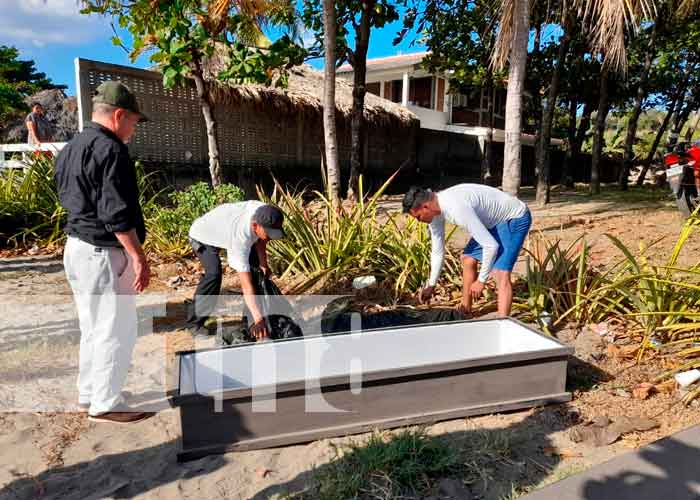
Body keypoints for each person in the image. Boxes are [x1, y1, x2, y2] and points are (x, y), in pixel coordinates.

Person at [54, 81, 152, 424]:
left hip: (76, 247)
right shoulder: (110, 150)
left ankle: (90, 392)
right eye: (134, 123)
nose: (133, 131)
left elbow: (70, 197)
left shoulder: (71, 147)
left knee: (93, 326)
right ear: (119, 115)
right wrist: (138, 257)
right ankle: (106, 402)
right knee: (116, 327)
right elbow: (116, 214)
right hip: (103, 251)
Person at [403, 184, 532, 317]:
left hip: (514, 217)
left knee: (501, 273)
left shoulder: (456, 208)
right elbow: (437, 251)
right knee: (467, 259)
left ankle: (502, 322)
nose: (419, 221)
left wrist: (481, 280)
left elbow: (491, 246)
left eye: (418, 217)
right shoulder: (435, 214)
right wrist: (431, 284)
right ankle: (465, 310)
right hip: (493, 223)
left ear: (425, 207)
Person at [187, 202, 286, 341]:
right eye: (269, 234)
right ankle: (195, 323)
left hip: (223, 227)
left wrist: (264, 264)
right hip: (202, 236)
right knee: (213, 274)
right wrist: (259, 320)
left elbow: (262, 240)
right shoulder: (239, 240)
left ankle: (250, 318)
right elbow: (246, 286)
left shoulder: (264, 211)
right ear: (255, 226)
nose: (270, 237)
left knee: (256, 271)